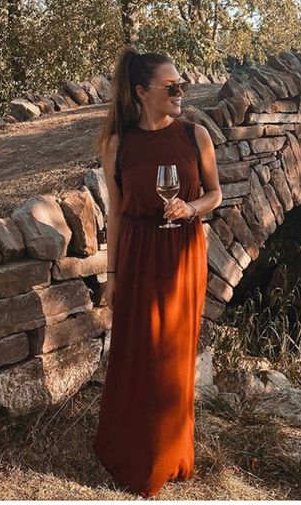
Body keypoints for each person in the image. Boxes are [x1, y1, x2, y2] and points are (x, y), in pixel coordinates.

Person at [92, 46, 222, 497]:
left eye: (182, 84)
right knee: (138, 354)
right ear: (142, 92)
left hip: (183, 255)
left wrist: (191, 207)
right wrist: (112, 276)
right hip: (139, 253)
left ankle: (171, 455)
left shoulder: (195, 136)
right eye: (172, 86)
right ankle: (130, 452)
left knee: (173, 357)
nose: (182, 92)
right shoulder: (117, 144)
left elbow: (215, 195)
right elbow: (114, 214)